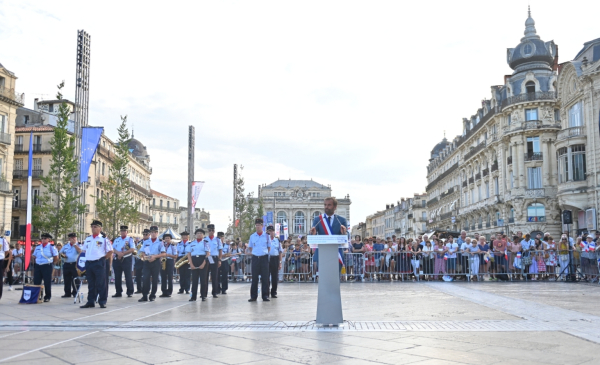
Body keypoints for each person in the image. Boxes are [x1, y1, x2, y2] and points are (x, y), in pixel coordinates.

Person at [80, 220, 113, 308]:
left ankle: (102, 301)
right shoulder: (88, 239)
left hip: (99, 262)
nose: (93, 228)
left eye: (95, 227)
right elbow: (84, 250)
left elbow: (110, 251)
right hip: (89, 263)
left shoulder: (104, 239)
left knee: (100, 282)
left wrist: (104, 258)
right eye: (92, 227)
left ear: (100, 228)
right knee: (91, 283)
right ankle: (91, 301)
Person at [138, 226, 166, 302]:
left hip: (156, 261)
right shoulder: (146, 241)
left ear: (157, 233)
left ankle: (152, 295)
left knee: (154, 279)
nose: (153, 234)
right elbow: (142, 251)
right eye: (152, 232)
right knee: (145, 278)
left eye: (155, 232)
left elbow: (163, 254)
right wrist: (145, 257)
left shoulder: (160, 242)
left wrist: (155, 256)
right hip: (147, 261)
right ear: (150, 233)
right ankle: (144, 295)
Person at [248, 218, 271, 302]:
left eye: (259, 225)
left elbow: (269, 247)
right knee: (254, 278)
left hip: (264, 258)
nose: (257, 227)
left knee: (265, 278)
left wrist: (263, 253)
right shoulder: (252, 236)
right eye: (256, 225)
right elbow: (250, 247)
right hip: (255, 258)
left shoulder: (267, 236)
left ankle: (265, 296)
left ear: (262, 226)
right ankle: (253, 296)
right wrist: (255, 252)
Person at [31, 233, 59, 302]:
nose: (43, 240)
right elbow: (34, 255)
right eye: (42, 238)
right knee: (37, 281)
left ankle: (47, 296)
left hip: (47, 265)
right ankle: (38, 296)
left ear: (48, 239)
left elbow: (56, 256)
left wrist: (53, 263)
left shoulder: (51, 247)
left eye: (45, 238)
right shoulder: (38, 247)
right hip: (38, 265)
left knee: (47, 282)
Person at [112, 226, 136, 298]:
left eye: (124, 231)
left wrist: (123, 254)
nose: (123, 232)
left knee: (128, 275)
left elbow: (132, 249)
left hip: (126, 258)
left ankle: (130, 291)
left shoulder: (130, 239)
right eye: (122, 231)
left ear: (127, 232)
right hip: (117, 258)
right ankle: (118, 291)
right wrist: (118, 253)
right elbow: (113, 248)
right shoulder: (117, 239)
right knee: (117, 276)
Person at [187, 228, 210, 301]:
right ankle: (193, 296)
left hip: (202, 259)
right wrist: (191, 264)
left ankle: (203, 296)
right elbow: (189, 254)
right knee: (194, 280)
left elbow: (208, 254)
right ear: (195, 235)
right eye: (198, 233)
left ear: (203, 235)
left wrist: (203, 263)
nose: (199, 235)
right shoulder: (192, 243)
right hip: (194, 260)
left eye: (201, 233)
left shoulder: (205, 242)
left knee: (203, 280)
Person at [60, 233, 81, 298]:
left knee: (76, 279)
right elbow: (60, 252)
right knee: (67, 279)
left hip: (75, 264)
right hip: (67, 263)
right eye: (72, 238)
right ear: (69, 239)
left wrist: (75, 245)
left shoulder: (78, 245)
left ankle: (75, 292)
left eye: (74, 237)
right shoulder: (66, 245)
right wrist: (63, 255)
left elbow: (80, 251)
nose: (73, 239)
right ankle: (67, 292)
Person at [204, 224, 223, 298]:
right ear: (208, 231)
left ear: (214, 231)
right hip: (207, 257)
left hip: (214, 258)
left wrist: (219, 260)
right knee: (205, 276)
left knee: (214, 276)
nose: (211, 232)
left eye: (212, 230)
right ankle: (204, 293)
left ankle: (215, 292)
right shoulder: (205, 239)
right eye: (209, 230)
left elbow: (220, 250)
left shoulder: (217, 239)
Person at [266, 225, 282, 298]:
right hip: (267, 259)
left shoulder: (277, 240)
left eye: (272, 231)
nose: (271, 232)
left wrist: (280, 263)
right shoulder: (265, 240)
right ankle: (266, 291)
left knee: (274, 277)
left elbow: (280, 252)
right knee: (266, 276)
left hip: (275, 259)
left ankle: (274, 292)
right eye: (269, 231)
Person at [160, 233, 177, 298]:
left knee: (170, 277)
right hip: (163, 261)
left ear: (170, 239)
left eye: (168, 238)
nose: (167, 239)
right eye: (166, 238)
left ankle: (169, 291)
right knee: (163, 277)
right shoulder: (162, 245)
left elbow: (175, 256)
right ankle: (164, 291)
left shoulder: (173, 245)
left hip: (170, 261)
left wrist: (167, 255)